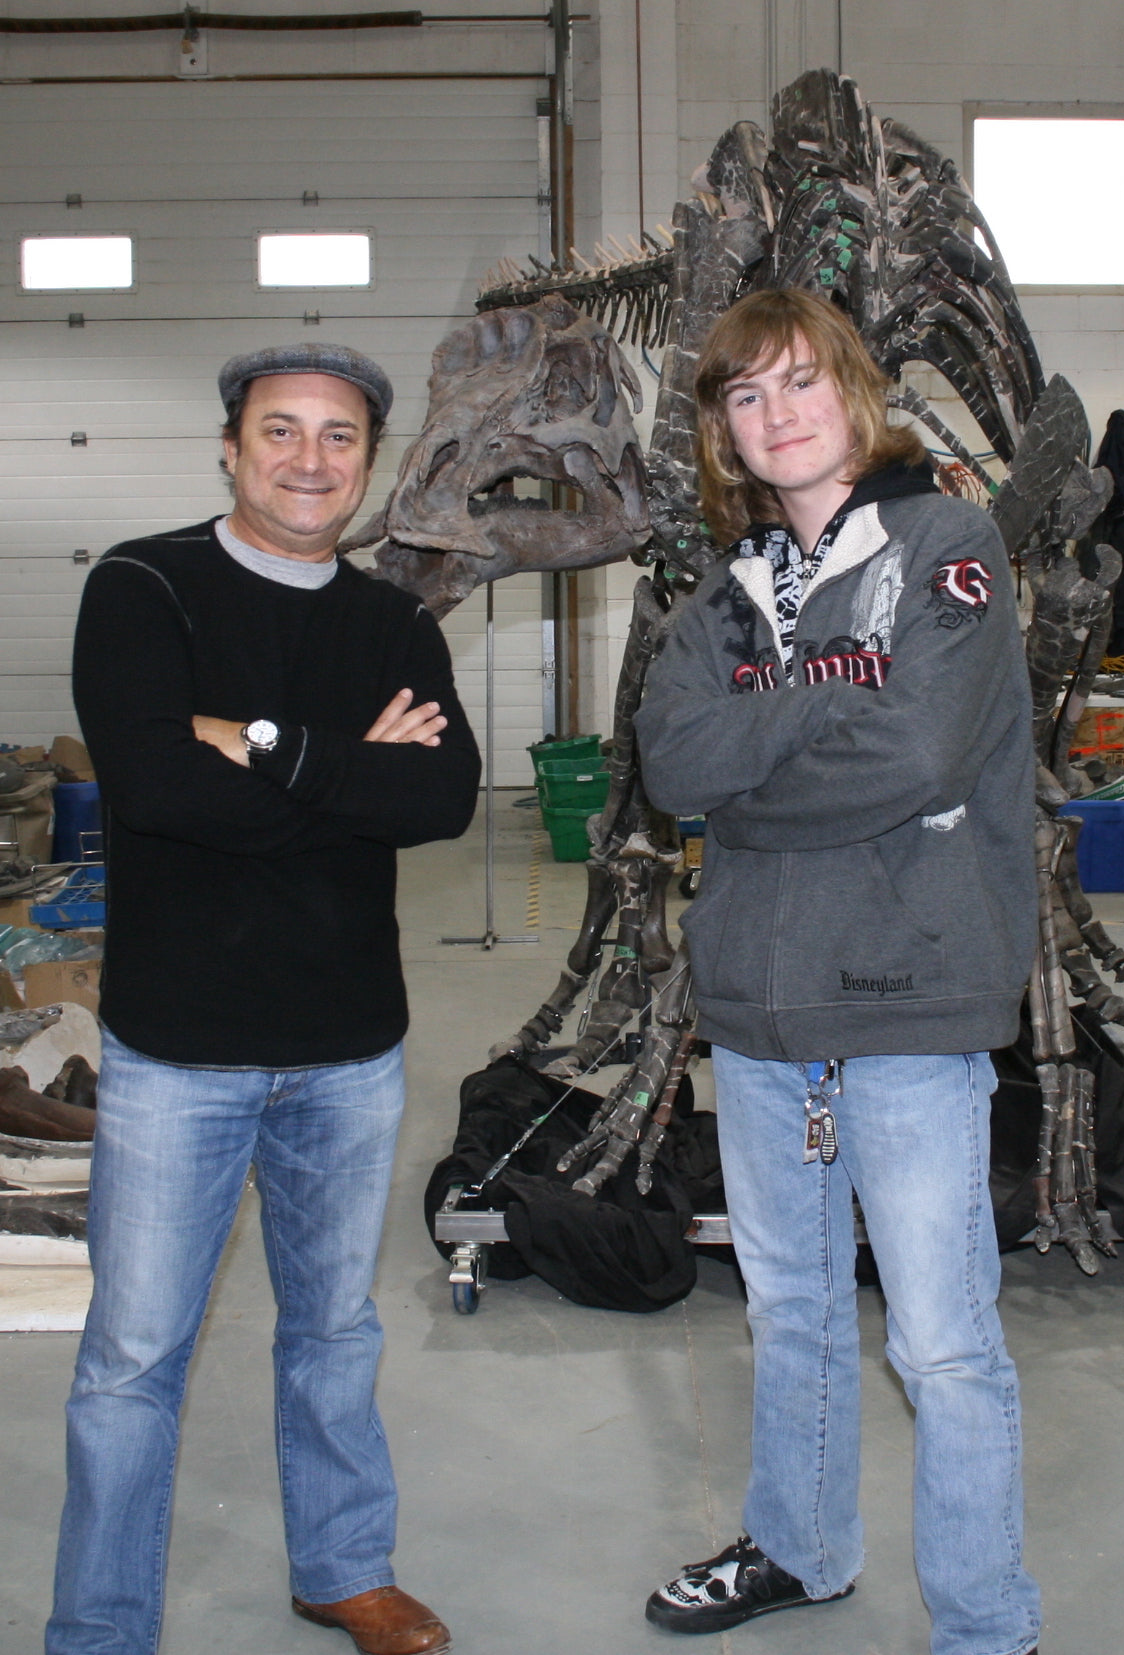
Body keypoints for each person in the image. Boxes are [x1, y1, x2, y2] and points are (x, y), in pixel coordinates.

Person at [47, 343, 481, 1655]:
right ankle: (101, 1626)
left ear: (370, 463)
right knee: (134, 1355)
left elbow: (442, 798)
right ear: (231, 450)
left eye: (339, 436)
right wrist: (351, 780)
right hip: (179, 1047)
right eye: (280, 430)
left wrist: (261, 745)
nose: (308, 459)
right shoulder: (144, 587)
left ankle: (343, 1568)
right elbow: (153, 788)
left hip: (349, 1047)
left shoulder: (395, 621)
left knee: (335, 1330)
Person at [635, 289, 1042, 1655]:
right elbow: (672, 765)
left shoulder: (948, 548)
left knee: (940, 1342)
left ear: (853, 392)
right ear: (723, 430)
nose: (778, 413)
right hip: (760, 1016)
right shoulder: (723, 592)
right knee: (791, 1309)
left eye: (801, 380)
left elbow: (917, 756)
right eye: (746, 395)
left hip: (909, 1003)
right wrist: (824, 709)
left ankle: (986, 1622)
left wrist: (751, 785)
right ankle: (800, 1548)